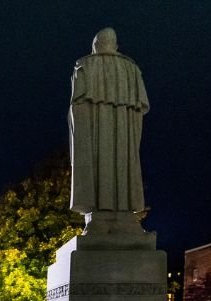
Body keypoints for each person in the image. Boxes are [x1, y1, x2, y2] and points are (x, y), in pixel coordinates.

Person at [69, 28, 149, 228]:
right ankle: (125, 205)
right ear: (115, 44)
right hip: (124, 136)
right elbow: (140, 110)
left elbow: (77, 107)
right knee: (124, 161)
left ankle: (98, 208)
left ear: (96, 44)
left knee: (98, 161)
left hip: (95, 135)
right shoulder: (132, 69)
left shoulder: (84, 65)